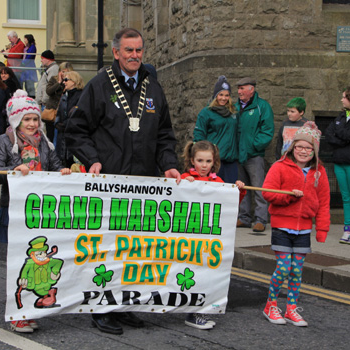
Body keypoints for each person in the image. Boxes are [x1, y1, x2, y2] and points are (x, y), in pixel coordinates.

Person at [65, 27, 181, 335]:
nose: (134, 56)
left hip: (144, 184)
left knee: (135, 250)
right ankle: (103, 308)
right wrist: (93, 160)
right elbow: (76, 130)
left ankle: (126, 305)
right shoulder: (99, 86)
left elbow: (165, 135)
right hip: (110, 185)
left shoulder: (153, 88)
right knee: (107, 250)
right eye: (128, 50)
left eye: (139, 50)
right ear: (116, 52)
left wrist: (169, 164)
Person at [0, 90, 71, 332]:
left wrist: (64, 171)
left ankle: (29, 309)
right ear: (16, 120)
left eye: (35, 119)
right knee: (19, 261)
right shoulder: (4, 141)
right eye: (27, 119)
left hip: (39, 210)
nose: (33, 124)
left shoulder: (45, 142)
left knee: (39, 264)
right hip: (14, 207)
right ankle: (17, 313)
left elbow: (55, 165)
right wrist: (16, 168)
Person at [262, 121, 330, 327]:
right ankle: (270, 305)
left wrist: (322, 229)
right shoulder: (279, 167)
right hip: (282, 226)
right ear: (292, 147)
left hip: (304, 229)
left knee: (297, 270)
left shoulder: (320, 173)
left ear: (314, 151)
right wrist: (289, 197)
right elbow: (268, 193)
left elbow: (325, 202)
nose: (303, 151)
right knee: (283, 268)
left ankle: (291, 308)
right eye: (300, 146)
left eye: (309, 148)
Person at [181, 140, 245, 330]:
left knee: (206, 276)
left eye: (208, 161)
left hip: (209, 241)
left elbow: (229, 205)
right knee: (189, 275)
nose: (204, 165)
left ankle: (197, 312)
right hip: (189, 238)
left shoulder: (218, 182)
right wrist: (185, 184)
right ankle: (191, 312)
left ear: (214, 161)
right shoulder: (185, 177)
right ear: (192, 160)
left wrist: (238, 191)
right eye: (200, 160)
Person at [236, 77, 274, 232]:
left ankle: (260, 219)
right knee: (241, 188)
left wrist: (252, 146)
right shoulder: (234, 106)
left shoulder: (262, 107)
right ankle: (244, 217)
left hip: (254, 155)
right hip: (237, 155)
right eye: (238, 88)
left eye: (242, 88)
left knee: (259, 188)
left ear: (251, 90)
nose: (239, 91)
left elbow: (267, 131)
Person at [193, 75, 239, 183]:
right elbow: (199, 135)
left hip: (231, 161)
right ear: (215, 95)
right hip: (214, 161)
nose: (223, 98)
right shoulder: (206, 113)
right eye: (221, 95)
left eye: (227, 95)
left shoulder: (234, 112)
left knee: (230, 192)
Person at [325, 86, 350, 245]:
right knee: (346, 198)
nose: (341, 100)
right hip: (339, 162)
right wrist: (343, 138)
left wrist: (341, 134)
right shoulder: (341, 116)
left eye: (344, 97)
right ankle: (348, 228)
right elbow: (329, 135)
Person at [54, 71, 84, 167]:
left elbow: (80, 115)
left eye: (66, 80)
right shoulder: (64, 96)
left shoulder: (82, 96)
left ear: (74, 81)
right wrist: (57, 123)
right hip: (62, 133)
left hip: (74, 133)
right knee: (62, 159)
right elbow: (59, 112)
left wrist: (67, 123)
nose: (64, 82)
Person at [46, 62, 74, 143]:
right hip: (52, 110)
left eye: (66, 72)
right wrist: (59, 82)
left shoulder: (71, 81)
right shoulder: (53, 79)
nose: (64, 74)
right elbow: (49, 91)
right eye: (62, 71)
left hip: (63, 112)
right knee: (50, 136)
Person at [35, 50, 59, 139]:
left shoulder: (53, 69)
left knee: (49, 131)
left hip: (48, 104)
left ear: (47, 59)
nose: (41, 60)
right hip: (45, 103)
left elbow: (50, 86)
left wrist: (44, 100)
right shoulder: (49, 69)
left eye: (42, 59)